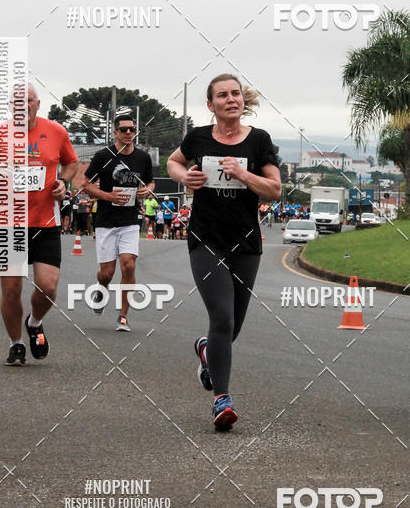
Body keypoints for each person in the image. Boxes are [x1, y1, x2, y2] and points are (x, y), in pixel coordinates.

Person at [167, 73, 281, 431]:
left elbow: (275, 189)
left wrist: (244, 176)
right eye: (223, 95)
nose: (231, 99)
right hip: (206, 238)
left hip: (246, 243)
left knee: (232, 326)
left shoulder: (259, 141)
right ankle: (222, 399)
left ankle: (206, 351)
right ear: (211, 105)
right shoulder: (198, 137)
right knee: (223, 319)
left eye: (236, 93)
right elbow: (174, 162)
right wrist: (184, 178)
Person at [0, 84, 78, 366]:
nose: (22, 105)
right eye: (16, 102)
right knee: (10, 290)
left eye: (27, 100)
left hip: (46, 222)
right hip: (9, 225)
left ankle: (35, 322)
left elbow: (71, 164)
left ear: (37, 104)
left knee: (48, 287)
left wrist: (63, 183)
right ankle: (16, 344)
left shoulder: (56, 132)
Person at [82, 112, 154, 332]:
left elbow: (151, 182)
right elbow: (86, 184)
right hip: (105, 221)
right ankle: (100, 289)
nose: (129, 133)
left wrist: (146, 190)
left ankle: (123, 316)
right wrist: (108, 196)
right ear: (115, 132)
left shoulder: (143, 157)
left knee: (129, 265)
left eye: (132, 129)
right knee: (107, 273)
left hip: (130, 220)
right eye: (124, 129)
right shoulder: (103, 156)